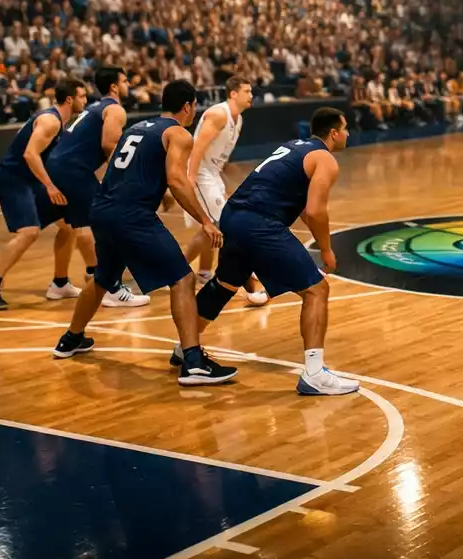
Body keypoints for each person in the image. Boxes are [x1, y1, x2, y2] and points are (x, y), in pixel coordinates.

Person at [53, 80, 237, 386]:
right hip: (132, 215)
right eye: (194, 106)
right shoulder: (178, 133)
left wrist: (158, 193)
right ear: (188, 106)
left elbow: (125, 169)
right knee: (183, 279)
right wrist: (205, 220)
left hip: (102, 209)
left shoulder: (137, 128)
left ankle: (71, 338)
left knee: (102, 278)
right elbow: (177, 180)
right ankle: (193, 361)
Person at [176, 107, 360, 395]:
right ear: (334, 133)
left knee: (225, 285)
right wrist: (326, 250)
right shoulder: (325, 159)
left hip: (233, 216)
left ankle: (186, 348)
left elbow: (302, 208)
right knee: (317, 290)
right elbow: (316, 211)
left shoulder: (293, 147)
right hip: (259, 223)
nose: (348, 134)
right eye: (345, 129)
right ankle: (315, 374)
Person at [40, 66, 149, 308]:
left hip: (59, 166)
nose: (128, 85)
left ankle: (59, 283)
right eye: (125, 81)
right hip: (72, 171)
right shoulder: (115, 109)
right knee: (108, 223)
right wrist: (124, 178)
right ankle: (110, 287)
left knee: (69, 227)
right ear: (114, 87)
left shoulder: (94, 108)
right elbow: (110, 144)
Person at [0, 77, 88, 310]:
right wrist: (50, 186)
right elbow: (30, 154)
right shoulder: (50, 121)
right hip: (13, 179)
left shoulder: (60, 122)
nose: (86, 100)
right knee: (29, 232)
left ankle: (60, 283)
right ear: (70, 99)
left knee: (69, 224)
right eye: (82, 96)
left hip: (31, 181)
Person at [182, 77, 267, 304]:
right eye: (247, 91)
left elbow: (220, 158)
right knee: (222, 226)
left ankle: (202, 272)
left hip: (212, 174)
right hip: (200, 173)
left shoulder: (238, 120)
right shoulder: (219, 114)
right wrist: (190, 178)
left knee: (211, 227)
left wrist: (227, 182)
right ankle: (177, 271)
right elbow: (197, 147)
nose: (251, 95)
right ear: (233, 93)